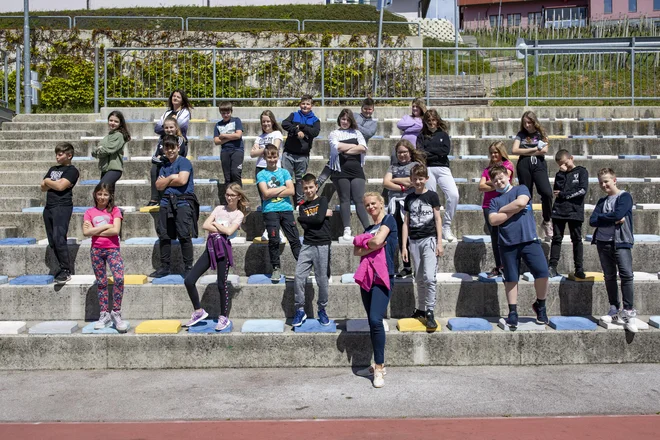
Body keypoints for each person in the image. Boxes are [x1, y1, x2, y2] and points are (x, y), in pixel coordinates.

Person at [487, 165, 549, 329]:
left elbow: (522, 201)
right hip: (507, 243)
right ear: (492, 183)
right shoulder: (494, 201)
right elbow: (493, 220)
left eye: (501, 178)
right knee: (511, 278)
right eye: (495, 180)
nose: (499, 182)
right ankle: (512, 311)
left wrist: (504, 211)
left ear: (508, 176)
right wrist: (515, 209)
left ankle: (540, 305)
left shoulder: (521, 188)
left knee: (542, 272)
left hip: (529, 239)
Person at [183, 183, 249, 332]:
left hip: (223, 249)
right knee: (189, 280)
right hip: (210, 248)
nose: (229, 197)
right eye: (227, 194)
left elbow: (230, 231)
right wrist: (221, 227)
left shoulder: (238, 214)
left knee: (221, 284)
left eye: (232, 195)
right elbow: (205, 225)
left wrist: (216, 224)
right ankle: (199, 311)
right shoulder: (219, 208)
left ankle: (223, 317)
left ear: (238, 196)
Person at [353, 192, 398, 388]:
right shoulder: (369, 227)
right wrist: (369, 243)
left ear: (381, 203)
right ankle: (377, 364)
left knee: (375, 319)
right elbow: (357, 251)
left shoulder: (389, 220)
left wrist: (366, 243)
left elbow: (377, 242)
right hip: (367, 276)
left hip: (384, 275)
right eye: (367, 205)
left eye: (373, 203)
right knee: (372, 323)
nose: (371, 207)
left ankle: (379, 367)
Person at [590, 168, 637, 333]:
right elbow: (592, 221)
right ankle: (614, 309)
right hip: (603, 243)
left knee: (626, 275)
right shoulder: (602, 201)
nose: (604, 185)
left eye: (606, 181)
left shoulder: (625, 196)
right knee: (609, 276)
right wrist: (611, 219)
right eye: (601, 182)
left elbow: (618, 214)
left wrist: (605, 218)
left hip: (621, 242)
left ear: (614, 180)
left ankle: (629, 312)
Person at [149, 136, 200, 278]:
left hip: (183, 202)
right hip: (166, 202)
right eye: (167, 148)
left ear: (178, 148)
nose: (170, 150)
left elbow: (182, 180)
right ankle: (165, 267)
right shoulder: (164, 166)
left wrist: (167, 179)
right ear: (164, 149)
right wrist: (172, 177)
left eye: (172, 147)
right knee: (164, 236)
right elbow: (158, 186)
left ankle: (189, 267)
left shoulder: (184, 162)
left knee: (184, 235)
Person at [401, 164, 444, 330]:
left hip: (429, 239)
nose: (418, 181)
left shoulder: (432, 196)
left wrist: (439, 242)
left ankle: (430, 311)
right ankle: (420, 309)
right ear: (411, 180)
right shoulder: (409, 198)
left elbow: (438, 219)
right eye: (415, 179)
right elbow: (406, 223)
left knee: (429, 277)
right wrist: (404, 246)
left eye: (421, 178)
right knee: (418, 277)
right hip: (414, 241)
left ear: (426, 179)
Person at [83, 183, 128, 333]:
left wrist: (94, 231)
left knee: (119, 278)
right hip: (96, 250)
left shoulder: (115, 211)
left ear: (110, 197)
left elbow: (115, 230)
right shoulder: (89, 212)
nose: (102, 197)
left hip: (112, 249)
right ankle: (104, 314)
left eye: (105, 194)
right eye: (100, 194)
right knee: (101, 282)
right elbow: (85, 232)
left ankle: (116, 312)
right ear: (95, 195)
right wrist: (105, 227)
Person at [292, 174, 333, 327]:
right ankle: (300, 310)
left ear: (316, 186)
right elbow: (313, 222)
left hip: (322, 244)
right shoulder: (302, 207)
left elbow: (317, 221)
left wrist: (304, 219)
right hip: (307, 244)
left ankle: (322, 309)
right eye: (305, 188)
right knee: (298, 276)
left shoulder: (322, 200)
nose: (308, 190)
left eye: (310, 187)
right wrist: (319, 216)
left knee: (322, 280)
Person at [257, 144, 302, 283]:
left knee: (294, 238)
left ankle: (303, 266)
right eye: (269, 157)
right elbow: (265, 194)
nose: (272, 159)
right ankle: (276, 267)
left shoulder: (284, 172)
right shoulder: (261, 174)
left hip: (286, 209)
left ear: (278, 156)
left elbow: (292, 191)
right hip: (270, 210)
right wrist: (283, 187)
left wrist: (273, 192)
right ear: (265, 157)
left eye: (274, 156)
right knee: (274, 240)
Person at [383, 139, 425, 278]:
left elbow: (413, 181)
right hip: (395, 204)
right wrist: (402, 186)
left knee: (414, 234)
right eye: (399, 152)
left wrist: (395, 180)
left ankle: (419, 265)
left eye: (404, 152)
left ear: (410, 152)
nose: (402, 155)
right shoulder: (392, 167)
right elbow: (385, 183)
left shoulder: (415, 165)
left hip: (411, 202)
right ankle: (406, 267)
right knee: (401, 235)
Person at [416, 109, 459, 242]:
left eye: (433, 120)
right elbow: (420, 152)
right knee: (431, 199)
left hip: (443, 168)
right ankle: (434, 227)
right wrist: (435, 152)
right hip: (428, 168)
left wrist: (429, 151)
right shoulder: (421, 135)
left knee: (453, 195)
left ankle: (446, 226)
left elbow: (445, 151)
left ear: (437, 120)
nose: (431, 123)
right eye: (428, 121)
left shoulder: (443, 135)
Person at [329, 109, 370, 242]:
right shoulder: (334, 133)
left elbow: (363, 148)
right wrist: (353, 146)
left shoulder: (357, 132)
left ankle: (368, 228)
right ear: (339, 119)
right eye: (343, 119)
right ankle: (347, 229)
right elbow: (336, 147)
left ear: (351, 120)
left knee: (359, 199)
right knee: (344, 199)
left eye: (347, 119)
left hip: (356, 169)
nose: (345, 122)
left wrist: (346, 148)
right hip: (341, 170)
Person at [41, 142, 79, 284]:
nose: (57, 157)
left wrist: (47, 181)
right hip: (49, 207)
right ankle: (58, 269)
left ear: (69, 155)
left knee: (59, 237)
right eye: (56, 154)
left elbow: (61, 186)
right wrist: (49, 182)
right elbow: (42, 187)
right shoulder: (53, 169)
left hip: (62, 206)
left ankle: (66, 270)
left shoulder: (72, 171)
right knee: (52, 240)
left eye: (60, 154)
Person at [512, 110, 553, 241]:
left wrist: (527, 151)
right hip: (524, 164)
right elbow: (515, 150)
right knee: (526, 195)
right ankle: (528, 226)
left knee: (546, 192)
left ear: (534, 122)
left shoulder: (541, 133)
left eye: (529, 122)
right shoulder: (520, 134)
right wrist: (535, 150)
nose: (527, 125)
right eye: (525, 123)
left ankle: (547, 220)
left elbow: (545, 150)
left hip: (539, 165)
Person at [317, 97, 377, 188]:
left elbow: (369, 133)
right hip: (344, 145)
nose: (367, 111)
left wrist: (355, 125)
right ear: (361, 108)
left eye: (370, 109)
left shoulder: (373, 123)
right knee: (331, 164)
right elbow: (346, 124)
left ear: (373, 110)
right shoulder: (355, 115)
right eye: (365, 108)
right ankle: (318, 184)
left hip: (356, 152)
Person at [549, 149, 588, 279]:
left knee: (576, 239)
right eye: (560, 165)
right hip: (559, 210)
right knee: (556, 238)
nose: (564, 166)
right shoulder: (560, 174)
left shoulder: (582, 171)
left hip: (575, 211)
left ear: (571, 158)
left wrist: (564, 195)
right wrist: (561, 173)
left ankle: (579, 268)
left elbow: (582, 190)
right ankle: (552, 266)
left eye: (565, 163)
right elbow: (556, 191)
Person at [479, 141, 515, 278]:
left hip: (504, 202)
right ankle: (499, 265)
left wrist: (491, 182)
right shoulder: (487, 169)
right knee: (494, 237)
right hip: (488, 205)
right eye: (492, 152)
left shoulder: (508, 165)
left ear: (501, 152)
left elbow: (504, 181)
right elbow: (481, 186)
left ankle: (509, 264)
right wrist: (496, 182)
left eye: (496, 152)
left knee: (506, 234)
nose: (494, 154)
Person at [250, 109, 285, 242]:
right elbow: (252, 154)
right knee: (264, 199)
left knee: (276, 199)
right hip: (261, 169)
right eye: (263, 121)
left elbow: (273, 150)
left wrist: (261, 150)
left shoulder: (277, 133)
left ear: (272, 121)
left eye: (268, 121)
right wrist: (264, 150)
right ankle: (268, 228)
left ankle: (278, 229)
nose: (265, 124)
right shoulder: (259, 137)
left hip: (274, 169)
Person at [281, 94, 321, 205]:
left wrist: (302, 127)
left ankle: (299, 202)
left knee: (300, 181)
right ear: (300, 105)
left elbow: (315, 132)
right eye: (303, 103)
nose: (305, 106)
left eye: (308, 104)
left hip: (303, 155)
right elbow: (284, 124)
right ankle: (285, 201)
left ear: (311, 106)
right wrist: (295, 130)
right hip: (288, 154)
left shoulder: (315, 120)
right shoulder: (293, 115)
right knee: (286, 178)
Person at [147, 117, 188, 206]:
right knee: (154, 168)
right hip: (164, 164)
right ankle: (155, 198)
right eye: (166, 128)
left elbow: (177, 153)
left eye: (171, 127)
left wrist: (161, 157)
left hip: (176, 165)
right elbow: (154, 158)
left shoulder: (180, 139)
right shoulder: (162, 141)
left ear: (176, 127)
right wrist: (162, 159)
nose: (169, 130)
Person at [92, 110, 130, 190]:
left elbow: (108, 150)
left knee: (101, 189)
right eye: (111, 120)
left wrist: (98, 151)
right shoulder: (107, 137)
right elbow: (94, 151)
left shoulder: (119, 135)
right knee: (108, 195)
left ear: (120, 123)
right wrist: (98, 150)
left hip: (114, 169)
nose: (112, 123)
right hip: (105, 169)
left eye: (116, 121)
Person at [214, 101, 244, 186]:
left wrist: (224, 136)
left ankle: (239, 196)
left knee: (235, 173)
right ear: (220, 113)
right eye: (223, 113)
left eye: (228, 112)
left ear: (231, 112)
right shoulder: (218, 125)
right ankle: (229, 196)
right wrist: (231, 137)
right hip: (225, 151)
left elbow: (238, 135)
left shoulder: (236, 120)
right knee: (227, 177)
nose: (226, 115)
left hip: (237, 150)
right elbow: (216, 141)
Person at [395, 98, 425, 164]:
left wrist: (406, 128)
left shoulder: (423, 119)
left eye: (417, 106)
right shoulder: (407, 117)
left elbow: (420, 126)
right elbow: (399, 125)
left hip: (415, 148)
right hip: (404, 147)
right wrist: (414, 123)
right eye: (413, 106)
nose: (414, 108)